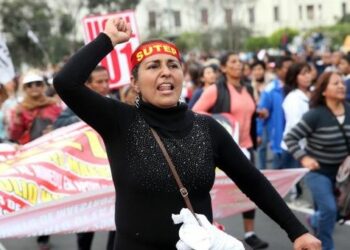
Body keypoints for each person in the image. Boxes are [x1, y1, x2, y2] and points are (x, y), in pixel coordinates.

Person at [53, 17, 321, 250]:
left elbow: (253, 181)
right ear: (134, 82)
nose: (165, 72)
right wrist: (108, 39)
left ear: (182, 74)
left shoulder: (208, 128)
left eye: (173, 64)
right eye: (153, 66)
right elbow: (66, 82)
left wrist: (297, 231)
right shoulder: (119, 121)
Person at [192, 52, 268, 249]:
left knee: (251, 188)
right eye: (233, 62)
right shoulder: (215, 90)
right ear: (224, 68)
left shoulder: (248, 88)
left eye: (240, 61)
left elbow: (246, 111)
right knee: (216, 190)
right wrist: (220, 120)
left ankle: (250, 233)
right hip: (223, 150)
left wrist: (258, 112)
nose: (238, 64)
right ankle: (211, 231)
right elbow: (194, 113)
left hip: (247, 147)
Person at [52, 65, 115, 250]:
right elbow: (59, 124)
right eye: (99, 82)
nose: (104, 85)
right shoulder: (77, 106)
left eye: (107, 81)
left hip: (112, 171)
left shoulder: (115, 103)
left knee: (117, 220)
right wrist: (85, 118)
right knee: (88, 221)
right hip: (87, 174)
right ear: (88, 84)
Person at [284, 71, 348, 250]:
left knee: (336, 213)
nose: (341, 86)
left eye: (342, 83)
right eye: (335, 83)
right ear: (323, 91)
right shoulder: (315, 115)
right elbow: (290, 138)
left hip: (344, 175)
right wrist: (303, 157)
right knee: (329, 210)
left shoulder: (349, 110)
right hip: (319, 172)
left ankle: (314, 219)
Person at [257, 56, 293, 169]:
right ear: (277, 70)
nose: (290, 70)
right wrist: (258, 134)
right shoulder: (271, 89)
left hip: (297, 141)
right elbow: (261, 114)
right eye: (286, 68)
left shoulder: (296, 87)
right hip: (279, 141)